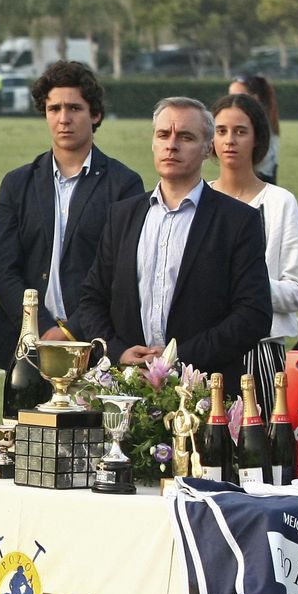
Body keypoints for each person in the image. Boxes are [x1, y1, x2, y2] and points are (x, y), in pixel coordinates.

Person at [73, 97, 271, 389]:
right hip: (126, 390)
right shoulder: (122, 216)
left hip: (204, 394)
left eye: (186, 137)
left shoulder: (238, 221)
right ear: (153, 142)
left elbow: (253, 315)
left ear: (208, 148)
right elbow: (92, 299)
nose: (172, 144)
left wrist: (177, 361)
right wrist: (117, 352)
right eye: (163, 135)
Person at [0, 62, 144, 374]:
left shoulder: (124, 184)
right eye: (53, 108)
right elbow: (2, 270)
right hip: (26, 347)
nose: (63, 118)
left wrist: (70, 331)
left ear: (95, 114)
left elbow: (120, 274)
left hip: (96, 348)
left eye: (74, 108)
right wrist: (41, 327)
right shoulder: (17, 184)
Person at [208, 93, 298, 414]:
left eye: (240, 131)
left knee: (260, 455)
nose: (229, 140)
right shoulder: (198, 200)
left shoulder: (280, 203)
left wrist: (244, 289)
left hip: (261, 355)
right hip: (203, 351)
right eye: (221, 130)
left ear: (257, 139)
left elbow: (296, 291)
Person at [230, 75, 280, 185]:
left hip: (258, 179)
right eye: (230, 95)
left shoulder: (257, 121)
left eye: (238, 96)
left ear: (255, 97)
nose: (231, 101)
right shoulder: (261, 117)